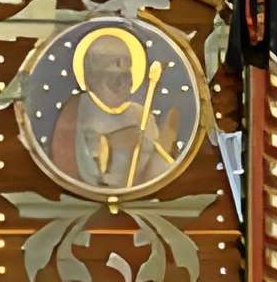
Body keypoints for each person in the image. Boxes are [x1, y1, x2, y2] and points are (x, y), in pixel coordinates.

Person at [49, 24, 185, 192]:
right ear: (90, 75)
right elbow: (70, 159)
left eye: (126, 67)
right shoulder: (77, 110)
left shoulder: (141, 115)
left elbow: (156, 166)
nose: (120, 78)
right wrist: (114, 142)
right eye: (110, 65)